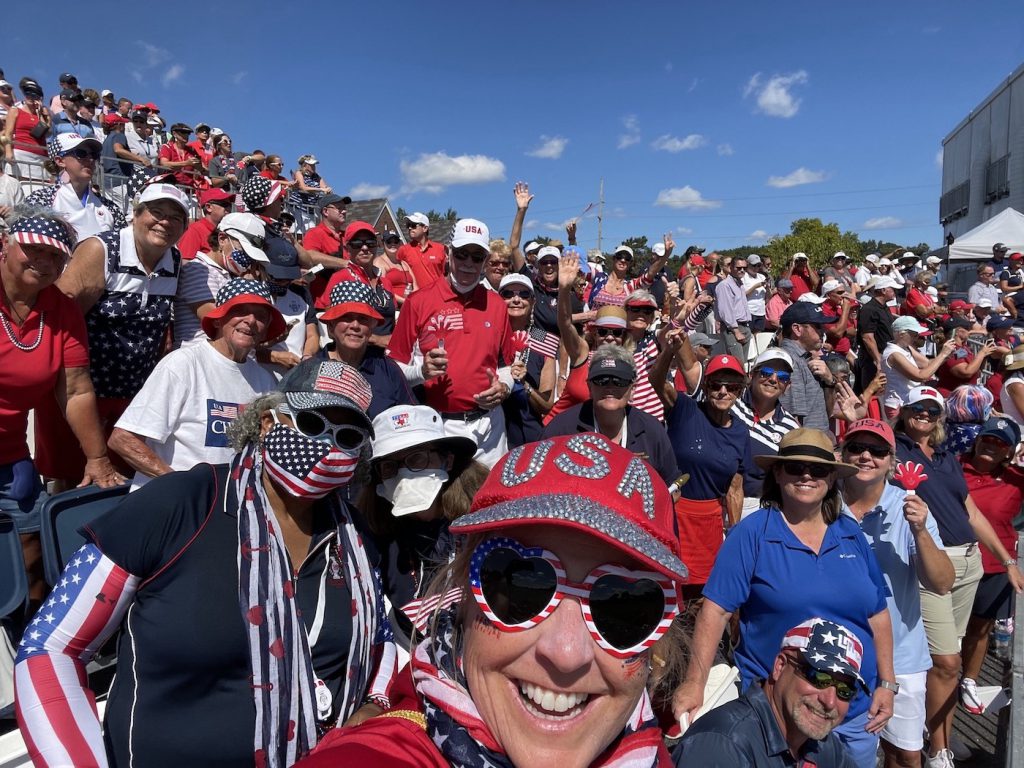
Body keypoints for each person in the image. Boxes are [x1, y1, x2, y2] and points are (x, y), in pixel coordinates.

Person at [16, 359, 398, 766]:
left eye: (347, 435)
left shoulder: (352, 536)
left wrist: (373, 705)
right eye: (311, 424)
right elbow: (50, 648)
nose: (328, 445)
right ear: (268, 422)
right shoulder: (180, 504)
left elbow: (380, 637)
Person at [297, 432, 688, 768]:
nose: (567, 653)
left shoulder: (648, 750)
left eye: (624, 609)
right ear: (462, 600)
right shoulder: (375, 754)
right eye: (521, 588)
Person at [673, 427, 896, 767]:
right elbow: (715, 611)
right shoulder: (753, 532)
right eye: (795, 467)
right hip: (781, 718)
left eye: (818, 469)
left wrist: (887, 684)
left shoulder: (850, 533)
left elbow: (878, 613)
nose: (807, 475)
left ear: (832, 477)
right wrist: (694, 683)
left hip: (852, 710)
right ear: (777, 473)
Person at [892, 385, 1024, 768]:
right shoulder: (897, 450)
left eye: (933, 411)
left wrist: (1008, 560)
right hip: (933, 562)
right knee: (948, 662)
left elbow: (971, 514)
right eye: (918, 408)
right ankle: (935, 747)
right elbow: (864, 454)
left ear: (940, 419)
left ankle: (941, 739)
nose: (925, 416)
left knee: (947, 661)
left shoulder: (946, 457)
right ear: (904, 412)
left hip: (969, 562)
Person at [1, 211, 125, 604]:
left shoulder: (62, 309)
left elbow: (74, 389)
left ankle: (26, 638)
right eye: (32, 249)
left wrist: (98, 458)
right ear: (7, 244)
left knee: (33, 556)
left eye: (54, 256)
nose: (42, 261)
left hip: (9, 453)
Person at [35, 183, 190, 486]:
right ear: (136, 213)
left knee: (120, 485)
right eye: (156, 212)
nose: (165, 222)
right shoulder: (101, 249)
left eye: (175, 217)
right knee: (71, 483)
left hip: (132, 399)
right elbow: (61, 320)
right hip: (79, 394)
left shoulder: (175, 261)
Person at [839, 419, 954, 768]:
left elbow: (942, 582)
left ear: (891, 461)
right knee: (833, 750)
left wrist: (919, 530)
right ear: (842, 454)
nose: (865, 457)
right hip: (840, 649)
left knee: (904, 754)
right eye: (856, 448)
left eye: (876, 450)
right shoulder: (823, 502)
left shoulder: (910, 506)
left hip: (901, 653)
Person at [109, 279, 281, 490]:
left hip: (230, 505)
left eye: (261, 316)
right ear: (218, 320)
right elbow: (123, 439)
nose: (251, 320)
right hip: (175, 504)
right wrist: (183, 487)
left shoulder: (266, 380)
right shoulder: (183, 364)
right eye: (240, 311)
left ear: (265, 331)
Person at [386, 218, 515, 467]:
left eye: (477, 257)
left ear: (486, 261)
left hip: (490, 429)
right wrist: (421, 372)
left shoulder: (497, 304)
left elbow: (507, 364)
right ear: (448, 253)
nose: (468, 263)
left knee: (490, 501)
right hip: (438, 427)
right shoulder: (418, 301)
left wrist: (505, 388)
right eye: (462, 254)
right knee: (445, 504)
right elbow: (393, 368)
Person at [363, 404, 484, 647]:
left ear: (447, 460)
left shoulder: (481, 525)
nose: (403, 474)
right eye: (390, 466)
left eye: (416, 458)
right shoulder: (373, 536)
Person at [674, 618, 862, 768]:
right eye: (817, 677)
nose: (829, 701)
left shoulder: (822, 744)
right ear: (780, 666)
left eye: (844, 690)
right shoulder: (720, 745)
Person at [662, 345, 751, 587]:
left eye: (731, 387)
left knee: (705, 592)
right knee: (670, 586)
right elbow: (656, 380)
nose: (723, 392)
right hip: (674, 514)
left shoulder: (741, 431)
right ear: (705, 386)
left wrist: (734, 532)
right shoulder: (684, 409)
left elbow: (735, 487)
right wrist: (670, 349)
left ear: (740, 391)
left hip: (710, 522)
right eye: (716, 385)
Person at [958, 417, 1024, 717]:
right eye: (987, 438)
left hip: (996, 566)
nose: (991, 445)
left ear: (1009, 452)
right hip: (953, 562)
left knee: (979, 629)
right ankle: (942, 681)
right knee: (947, 634)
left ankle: (969, 680)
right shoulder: (952, 466)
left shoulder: (1016, 478)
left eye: (1000, 443)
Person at [543, 344, 678, 484]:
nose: (610, 387)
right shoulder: (561, 429)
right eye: (601, 380)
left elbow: (672, 486)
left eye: (619, 381)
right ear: (589, 386)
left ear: (632, 389)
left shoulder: (652, 430)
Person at [173, 211, 269, 347]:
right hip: (200, 359)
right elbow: (217, 321)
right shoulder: (197, 269)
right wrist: (249, 289)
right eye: (244, 252)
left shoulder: (232, 274)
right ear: (222, 239)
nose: (248, 260)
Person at [321, 279, 414, 418]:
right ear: (331, 327)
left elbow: (412, 417)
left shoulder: (388, 370)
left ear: (371, 328)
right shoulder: (310, 370)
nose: (355, 325)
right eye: (346, 317)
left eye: (363, 319)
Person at [732, 348, 800, 517]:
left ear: (788, 386)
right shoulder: (730, 406)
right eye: (766, 372)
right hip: (716, 500)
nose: (773, 380)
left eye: (782, 377)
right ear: (751, 375)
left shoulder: (791, 428)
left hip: (759, 508)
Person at [25, 134, 125, 239]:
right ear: (60, 161)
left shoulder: (111, 208)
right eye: (81, 153)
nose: (90, 159)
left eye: (94, 155)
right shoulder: (40, 200)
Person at [500, 273, 557, 447]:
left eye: (524, 295)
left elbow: (546, 405)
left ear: (532, 302)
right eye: (508, 294)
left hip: (527, 433)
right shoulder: (488, 335)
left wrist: (525, 385)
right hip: (492, 432)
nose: (516, 299)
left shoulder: (545, 340)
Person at [317, 221, 397, 340]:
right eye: (357, 243)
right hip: (356, 351)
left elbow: (393, 321)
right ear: (347, 247)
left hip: (389, 350)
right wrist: (377, 340)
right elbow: (332, 328)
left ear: (377, 245)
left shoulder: (385, 283)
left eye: (370, 243)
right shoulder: (341, 278)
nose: (364, 248)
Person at [880, 316, 955, 417]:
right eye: (914, 335)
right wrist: (942, 355)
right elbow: (920, 376)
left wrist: (946, 355)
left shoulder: (907, 348)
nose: (916, 338)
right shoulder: (893, 353)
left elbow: (927, 364)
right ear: (902, 334)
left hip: (910, 403)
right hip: (898, 405)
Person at [778, 302, 836, 431]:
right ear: (797, 329)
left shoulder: (805, 359)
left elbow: (827, 413)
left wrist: (830, 381)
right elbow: (792, 422)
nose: (823, 331)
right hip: (806, 446)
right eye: (817, 326)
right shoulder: (790, 361)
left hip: (817, 442)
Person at [589, 241, 669, 309]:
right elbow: (579, 270)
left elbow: (650, 274)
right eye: (619, 256)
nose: (623, 260)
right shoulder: (599, 277)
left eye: (627, 258)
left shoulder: (630, 286)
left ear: (630, 263)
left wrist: (666, 254)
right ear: (614, 259)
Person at [3, 78, 50, 192]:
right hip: (21, 153)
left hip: (41, 156)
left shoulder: (43, 113)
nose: (31, 96)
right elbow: (8, 133)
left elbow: (47, 133)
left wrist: (42, 115)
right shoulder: (15, 110)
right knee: (20, 187)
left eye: (35, 94)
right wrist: (9, 152)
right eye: (28, 93)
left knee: (39, 189)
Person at [856, 277, 897, 393]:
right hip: (873, 361)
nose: (895, 292)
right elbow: (867, 337)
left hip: (884, 357)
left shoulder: (884, 308)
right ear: (883, 290)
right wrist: (878, 360)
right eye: (892, 289)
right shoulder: (869, 309)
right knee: (873, 395)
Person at [175, 186, 233, 260]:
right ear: (209, 207)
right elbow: (185, 263)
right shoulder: (194, 231)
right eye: (225, 205)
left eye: (230, 205)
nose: (228, 209)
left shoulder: (226, 231)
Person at [714, 255, 753, 363]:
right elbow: (725, 311)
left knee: (742, 364)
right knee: (737, 364)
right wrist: (736, 331)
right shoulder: (725, 285)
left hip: (744, 326)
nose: (742, 270)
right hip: (732, 329)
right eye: (738, 268)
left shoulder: (739, 284)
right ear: (731, 268)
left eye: (744, 268)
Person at [397, 211, 446, 290]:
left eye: (413, 225)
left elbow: (446, 275)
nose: (409, 228)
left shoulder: (440, 249)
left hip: (437, 296)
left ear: (425, 228)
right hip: (414, 298)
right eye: (408, 225)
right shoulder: (403, 250)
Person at [289, 154, 332, 232]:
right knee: (298, 234)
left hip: (310, 209)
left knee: (310, 232)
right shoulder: (299, 173)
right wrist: (321, 189)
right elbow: (303, 187)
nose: (314, 167)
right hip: (297, 207)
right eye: (311, 165)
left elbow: (324, 187)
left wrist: (328, 190)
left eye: (314, 165)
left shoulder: (317, 176)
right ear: (305, 165)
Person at [376, 230, 414, 307]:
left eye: (396, 241)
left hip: (410, 306)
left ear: (400, 243)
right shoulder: (379, 262)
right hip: (393, 308)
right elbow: (382, 289)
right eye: (389, 241)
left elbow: (416, 286)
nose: (393, 244)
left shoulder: (404, 263)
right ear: (383, 243)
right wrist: (405, 301)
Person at [158, 123, 203, 187]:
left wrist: (198, 166)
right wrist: (186, 163)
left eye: (188, 133)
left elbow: (200, 169)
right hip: (171, 186)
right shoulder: (167, 147)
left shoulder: (192, 150)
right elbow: (164, 164)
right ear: (174, 134)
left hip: (188, 188)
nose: (186, 135)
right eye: (183, 132)